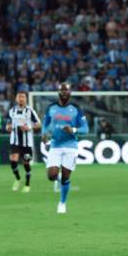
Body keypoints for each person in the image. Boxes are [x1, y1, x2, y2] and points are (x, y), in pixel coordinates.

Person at [42, 83, 88, 214]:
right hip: (55, 145)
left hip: (70, 146)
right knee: (51, 175)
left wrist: (73, 129)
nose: (64, 92)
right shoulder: (51, 108)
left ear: (70, 93)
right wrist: (44, 134)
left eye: (66, 90)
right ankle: (57, 177)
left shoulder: (76, 109)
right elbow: (45, 124)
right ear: (58, 92)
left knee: (66, 178)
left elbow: (85, 129)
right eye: (61, 90)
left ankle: (62, 202)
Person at [6, 91, 41, 192]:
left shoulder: (30, 111)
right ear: (16, 99)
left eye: (23, 97)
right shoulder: (12, 111)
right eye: (19, 97)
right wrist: (8, 127)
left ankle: (27, 184)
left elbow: (38, 124)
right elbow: (8, 124)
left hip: (27, 143)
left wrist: (29, 127)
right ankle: (17, 178)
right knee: (13, 160)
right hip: (15, 141)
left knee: (26, 163)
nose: (21, 99)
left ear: (26, 99)